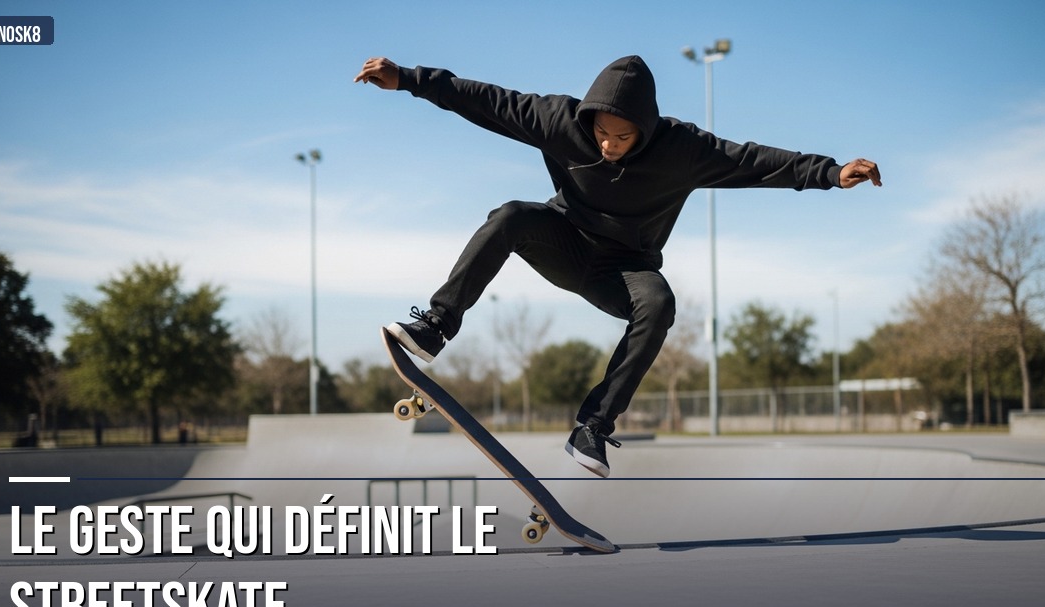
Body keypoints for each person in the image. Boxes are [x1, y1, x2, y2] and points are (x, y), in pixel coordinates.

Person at [355, 54, 881, 478]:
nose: (607, 144)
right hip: (566, 246)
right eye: (601, 133)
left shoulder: (683, 149)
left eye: (621, 137)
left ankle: (593, 427)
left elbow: (753, 161)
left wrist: (831, 172)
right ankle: (438, 325)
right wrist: (408, 80)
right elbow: (488, 102)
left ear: (646, 128)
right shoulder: (560, 121)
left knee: (659, 302)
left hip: (622, 271)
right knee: (512, 215)